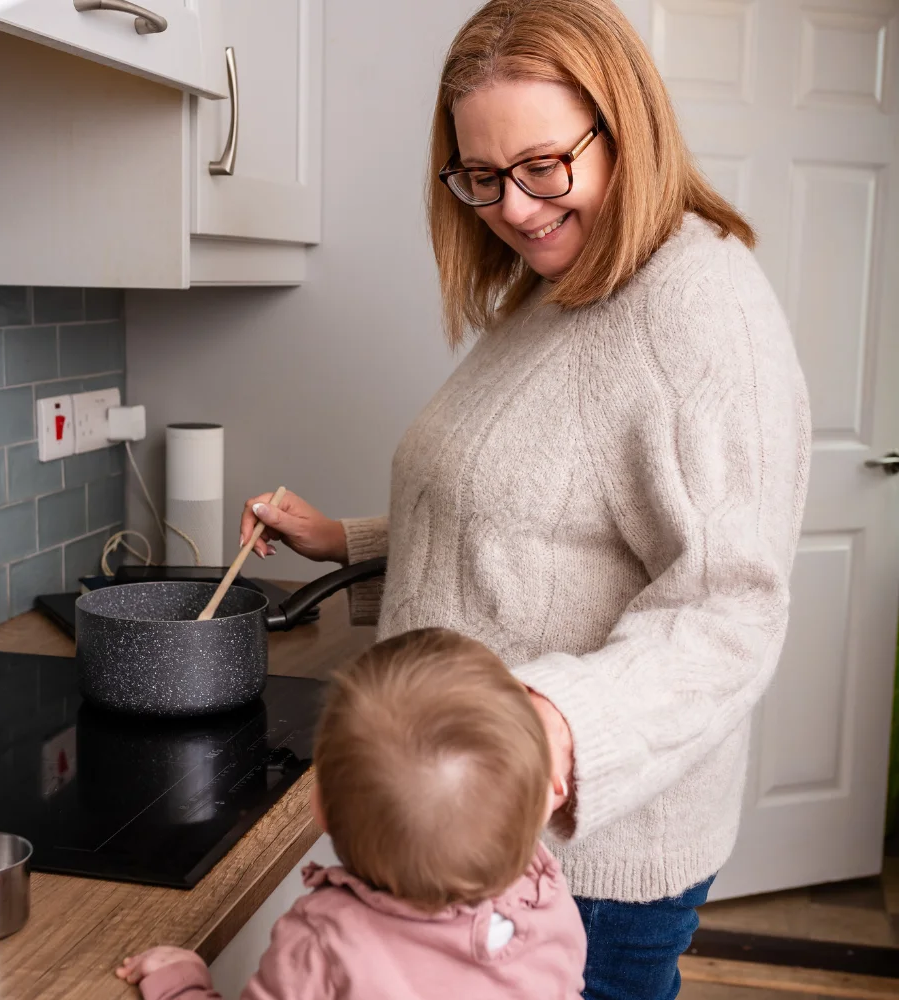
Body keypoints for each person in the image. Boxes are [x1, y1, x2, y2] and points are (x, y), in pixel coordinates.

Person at [238, 2, 811, 998]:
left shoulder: (699, 306)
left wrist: (549, 723)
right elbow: (524, 522)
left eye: (544, 165)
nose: (513, 206)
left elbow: (730, 611)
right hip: (464, 830)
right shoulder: (552, 292)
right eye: (481, 177)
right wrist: (345, 543)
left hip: (575, 866)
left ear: (622, 121)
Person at [115, 629, 586, 1000]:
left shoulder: (325, 943)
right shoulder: (543, 898)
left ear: (318, 804)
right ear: (546, 798)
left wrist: (180, 984)